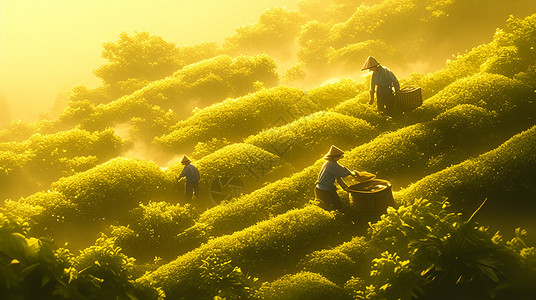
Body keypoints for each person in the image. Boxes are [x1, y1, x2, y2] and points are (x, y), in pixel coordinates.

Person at [315, 145, 373, 211]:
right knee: (332, 207)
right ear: (333, 156)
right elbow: (342, 171)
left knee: (337, 206)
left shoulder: (332, 163)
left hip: (326, 189)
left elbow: (339, 179)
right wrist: (353, 173)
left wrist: (347, 189)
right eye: (338, 156)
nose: (339, 158)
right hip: (323, 190)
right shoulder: (330, 164)